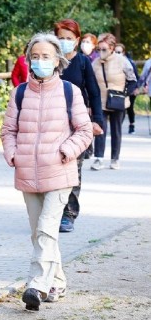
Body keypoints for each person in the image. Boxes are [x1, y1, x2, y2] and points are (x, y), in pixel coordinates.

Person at [0, 32, 92, 310]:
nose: (40, 61)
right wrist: (13, 153)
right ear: (28, 60)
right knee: (40, 233)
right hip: (27, 172)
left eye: (46, 57)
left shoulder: (69, 91)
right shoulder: (20, 93)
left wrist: (66, 151)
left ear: (57, 61)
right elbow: (8, 130)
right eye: (35, 57)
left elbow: (84, 130)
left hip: (60, 173)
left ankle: (37, 285)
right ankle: (58, 282)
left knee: (46, 230)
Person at [54, 19, 104, 233]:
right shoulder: (49, 61)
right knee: (53, 167)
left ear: (76, 40)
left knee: (74, 168)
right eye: (60, 38)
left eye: (68, 38)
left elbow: (93, 93)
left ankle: (69, 213)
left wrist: (97, 121)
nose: (64, 42)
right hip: (52, 122)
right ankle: (53, 210)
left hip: (77, 123)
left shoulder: (83, 62)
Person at [91, 34, 137, 170]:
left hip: (118, 102)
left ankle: (115, 159)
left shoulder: (122, 61)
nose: (101, 52)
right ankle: (99, 158)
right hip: (101, 102)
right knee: (100, 130)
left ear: (111, 48)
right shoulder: (95, 63)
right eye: (98, 50)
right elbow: (90, 83)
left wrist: (124, 94)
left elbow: (133, 81)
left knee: (116, 131)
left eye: (104, 49)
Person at [114, 44, 139, 134]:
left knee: (130, 108)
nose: (117, 54)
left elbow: (135, 76)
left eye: (119, 52)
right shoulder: (112, 62)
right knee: (120, 108)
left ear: (123, 52)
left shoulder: (129, 62)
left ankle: (131, 124)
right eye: (115, 52)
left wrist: (136, 88)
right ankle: (118, 125)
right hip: (118, 89)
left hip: (129, 88)